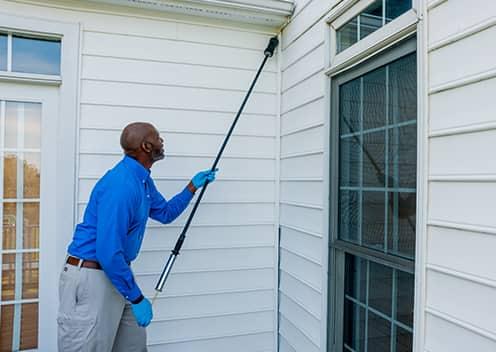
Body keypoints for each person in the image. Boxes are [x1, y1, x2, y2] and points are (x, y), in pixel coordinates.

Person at [57, 122, 217, 351]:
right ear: (146, 146)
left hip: (116, 274)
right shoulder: (121, 185)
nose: (162, 141)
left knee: (133, 345)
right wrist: (137, 298)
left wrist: (192, 186)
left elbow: (165, 213)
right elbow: (108, 251)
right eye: (158, 138)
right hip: (92, 277)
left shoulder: (142, 180)